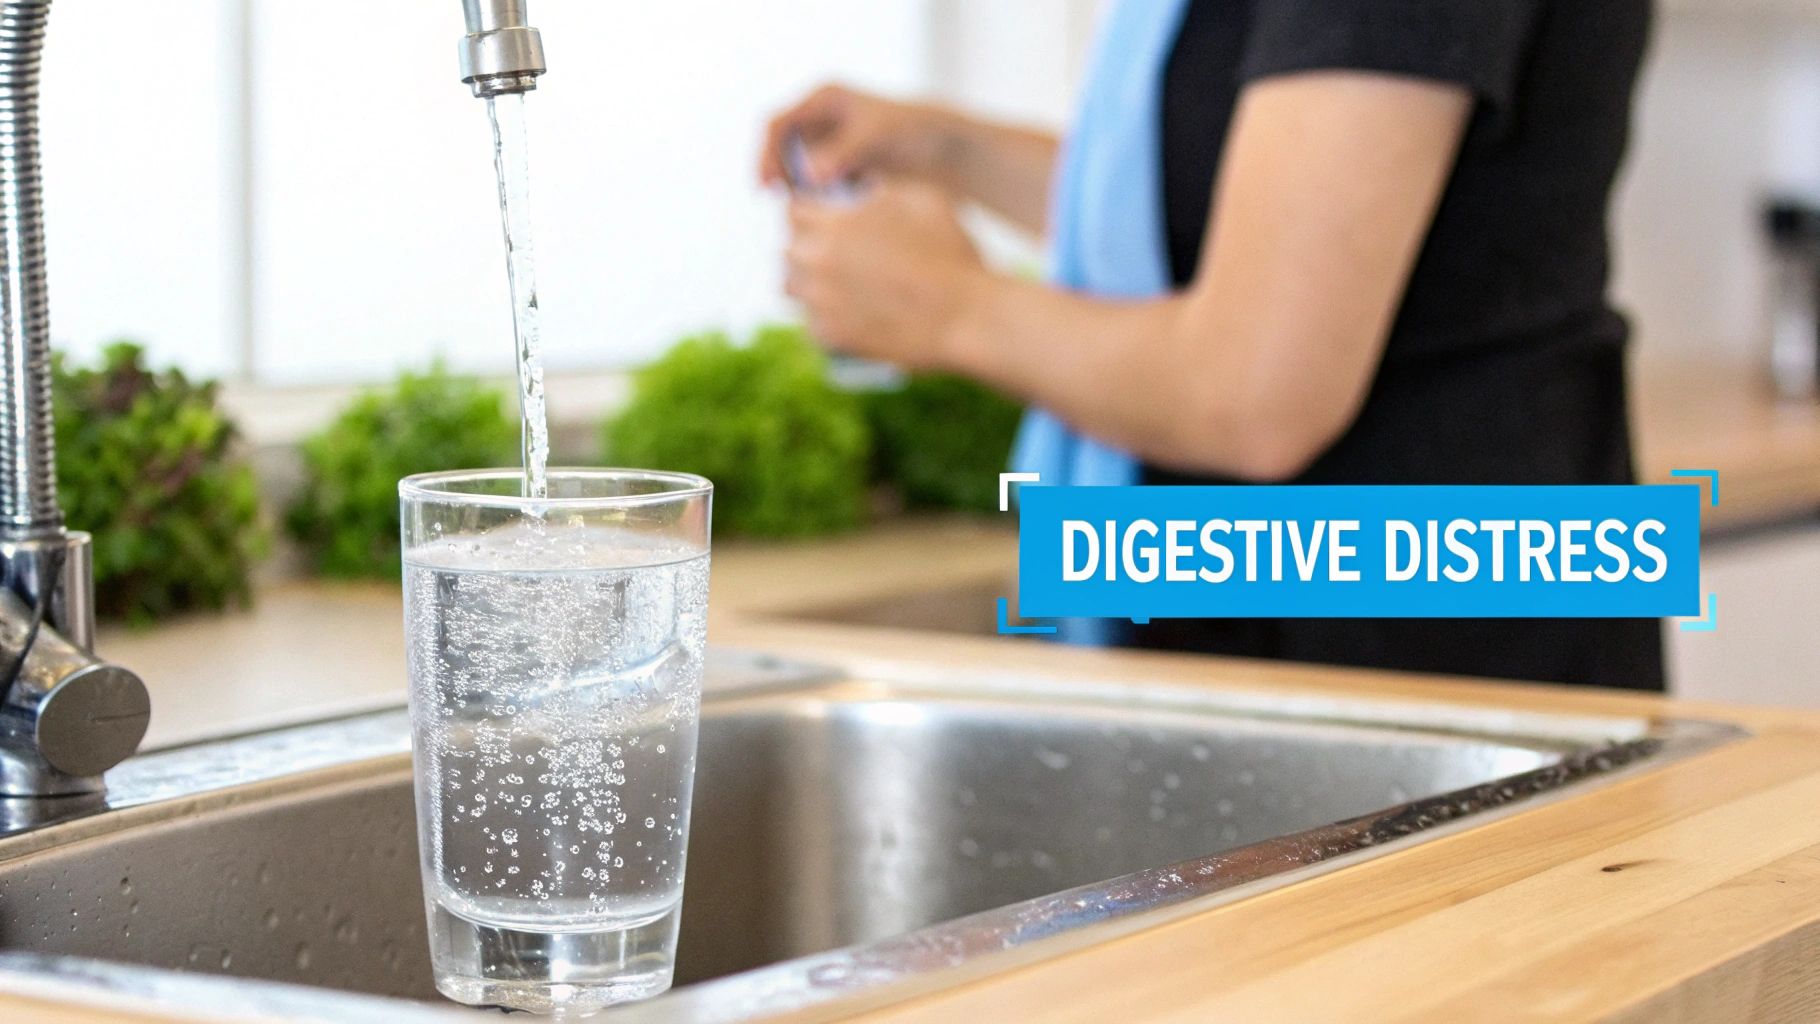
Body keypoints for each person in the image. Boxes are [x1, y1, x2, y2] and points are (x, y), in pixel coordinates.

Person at [759, 0, 1663, 691]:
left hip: (1420, 645)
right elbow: (1249, 224)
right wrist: (949, 149)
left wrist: (946, 307)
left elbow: (1254, 396)